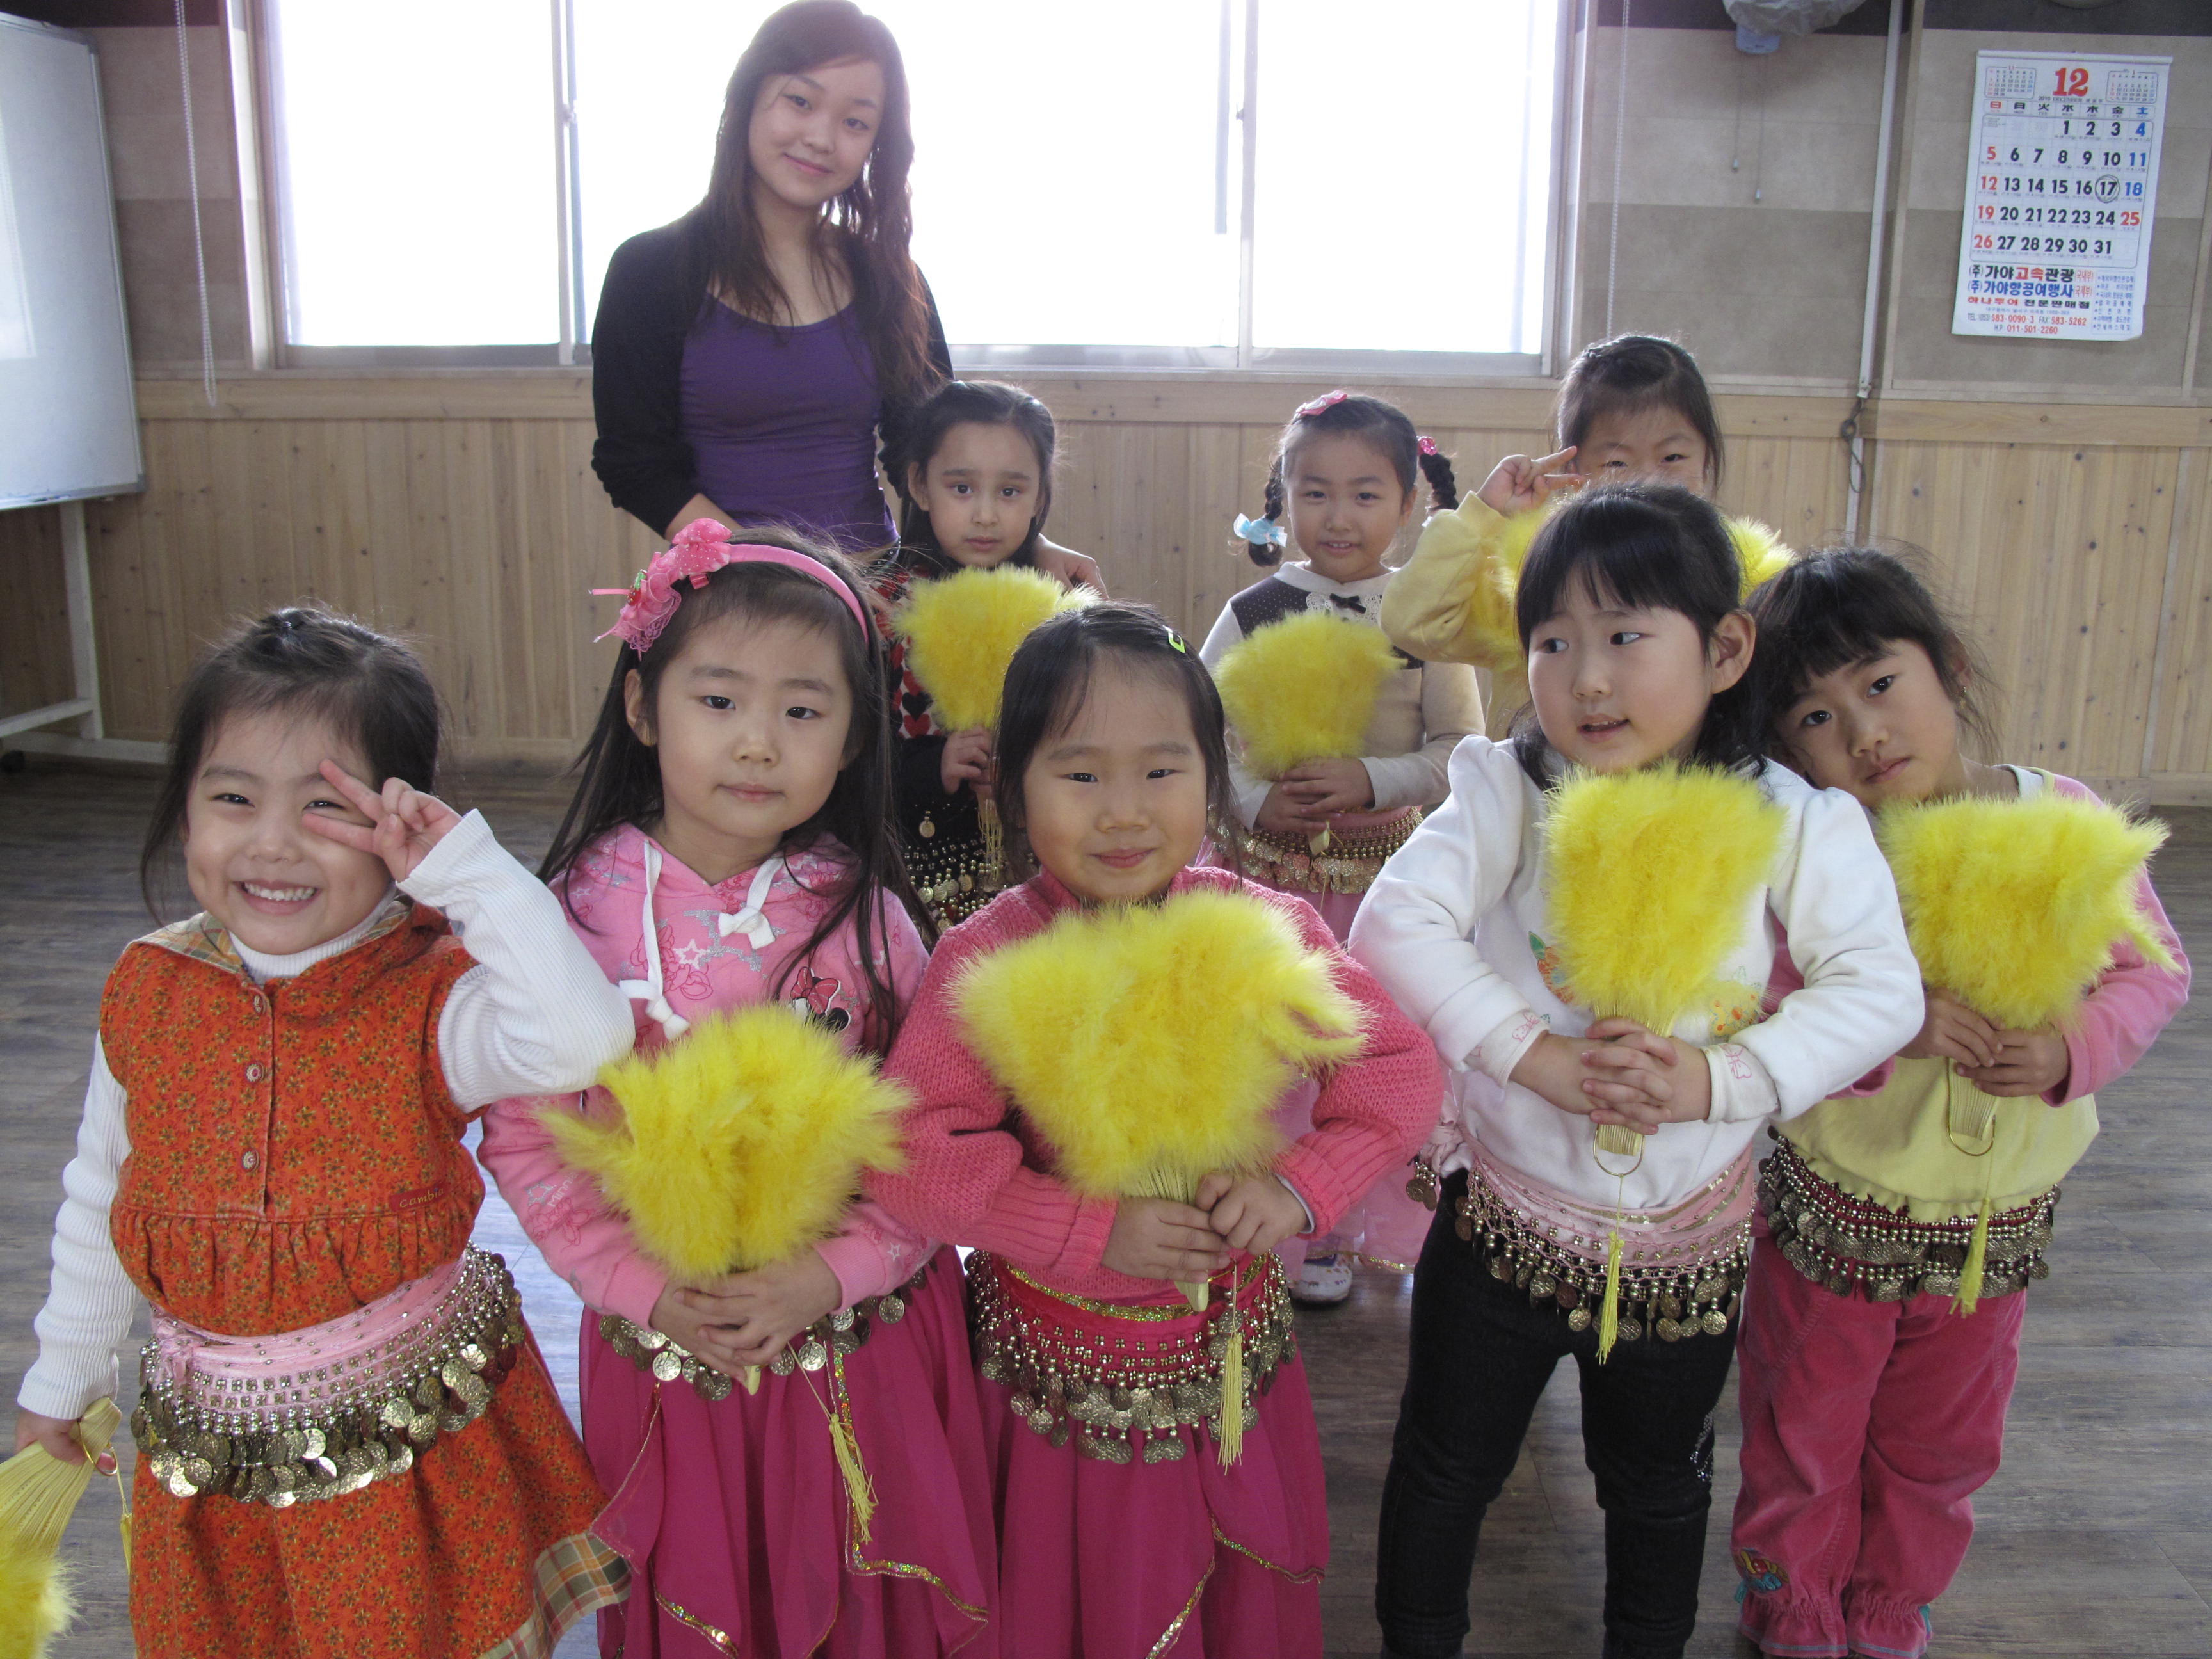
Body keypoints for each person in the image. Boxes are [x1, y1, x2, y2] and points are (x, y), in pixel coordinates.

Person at [1349, 486, 1923, 1659]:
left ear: (1723, 649)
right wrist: (1533, 1054)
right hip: (1501, 1222)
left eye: (1623, 636)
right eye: (1552, 642)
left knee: (1659, 1489)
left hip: (1687, 1250)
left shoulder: (1799, 821)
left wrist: (1724, 1081)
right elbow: (1393, 922)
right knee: (1445, 1469)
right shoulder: (1509, 785)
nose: (1586, 679)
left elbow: (1880, 991)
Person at [12, 607, 637, 1657]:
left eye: (324, 806)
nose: (271, 840)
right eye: (232, 798)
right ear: (183, 811)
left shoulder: (435, 997)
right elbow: (99, 1193)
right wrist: (57, 1384)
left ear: (400, 824)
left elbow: (584, 1034)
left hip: (406, 1461)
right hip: (211, 1462)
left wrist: (463, 871)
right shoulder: (149, 988)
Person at [869, 603, 1444, 1659]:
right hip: (1049, 1389)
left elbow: (1400, 1068)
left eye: (1161, 771)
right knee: (1063, 1594)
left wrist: (1302, 1187)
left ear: (1212, 780)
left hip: (1227, 1364)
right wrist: (1085, 1229)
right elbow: (912, 1161)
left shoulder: (1264, 928)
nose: (1123, 812)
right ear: (1014, 788)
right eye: (1080, 775)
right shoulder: (982, 958)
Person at [476, 522, 997, 1657]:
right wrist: (638, 1287)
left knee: (864, 1604)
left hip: (862, 1341)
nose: (759, 742)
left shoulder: (872, 919)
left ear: (855, 737)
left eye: (804, 711)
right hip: (669, 1347)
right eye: (718, 701)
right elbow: (524, 1138)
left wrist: (832, 1272)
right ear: (641, 707)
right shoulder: (565, 914)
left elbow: (937, 1140)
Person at [1728, 547, 2189, 1659]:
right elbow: (1764, 996)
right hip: (1840, 1204)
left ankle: (1893, 1595)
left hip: (1993, 1223)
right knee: (1806, 1420)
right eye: (1815, 718)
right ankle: (1790, 1592)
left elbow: (2153, 970)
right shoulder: (1823, 854)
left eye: (1880, 685)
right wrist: (1885, 1022)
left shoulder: (2065, 818)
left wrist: (2071, 1044)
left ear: (1949, 667)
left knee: (1944, 1437)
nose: (1864, 733)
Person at [588, 0, 1100, 591]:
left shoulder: (890, 275)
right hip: (724, 595)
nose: (822, 138)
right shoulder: (649, 269)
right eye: (801, 102)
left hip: (872, 594)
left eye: (856, 122)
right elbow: (635, 463)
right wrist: (771, 573)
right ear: (750, 97)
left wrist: (1033, 542)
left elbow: (936, 446)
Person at [1200, 389, 1481, 1299]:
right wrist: (1249, 805)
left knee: (1376, 1057)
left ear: (1411, 504)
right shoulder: (1251, 612)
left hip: (1387, 891)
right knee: (1280, 1063)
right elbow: (1200, 740)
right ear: (1281, 501)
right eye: (1313, 491)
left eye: (1367, 493)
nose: (1339, 514)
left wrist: (1371, 779)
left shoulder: (1427, 622)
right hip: (1271, 886)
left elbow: (1458, 756)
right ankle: (1293, 1230)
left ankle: (1370, 1221)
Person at [1381, 335, 1786, 733]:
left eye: (1673, 457)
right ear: (1573, 470)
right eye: (1616, 462)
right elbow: (1412, 623)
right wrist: (1484, 516)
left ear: (1708, 458)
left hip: (1686, 798)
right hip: (1542, 797)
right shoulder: (1532, 572)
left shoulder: (1746, 577)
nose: (1648, 478)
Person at [869, 380, 1096, 928]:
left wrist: (1027, 770)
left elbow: (1090, 730)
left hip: (1039, 862)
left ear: (1041, 497)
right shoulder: (881, 601)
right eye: (963, 488)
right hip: (909, 869)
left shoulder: (1057, 598)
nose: (987, 515)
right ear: (920, 485)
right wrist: (932, 767)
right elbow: (850, 742)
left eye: (1011, 492)